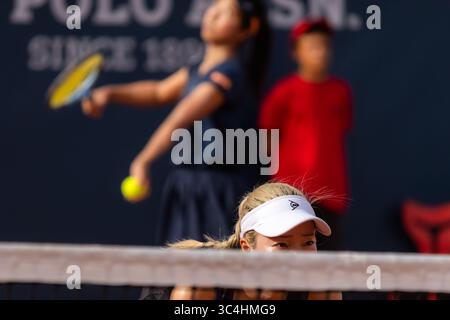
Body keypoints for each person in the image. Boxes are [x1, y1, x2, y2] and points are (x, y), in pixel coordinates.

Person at [82, 0, 272, 244]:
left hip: (221, 193)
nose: (212, 15)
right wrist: (110, 93)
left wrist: (143, 160)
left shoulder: (230, 75)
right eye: (213, 7)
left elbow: (183, 114)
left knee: (216, 275)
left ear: (247, 28)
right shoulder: (194, 70)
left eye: (225, 13)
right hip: (187, 187)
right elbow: (158, 92)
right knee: (181, 273)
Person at [141, 182, 341, 300]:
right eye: (282, 244)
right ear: (247, 247)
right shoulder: (200, 286)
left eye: (308, 243)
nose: (298, 257)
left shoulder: (323, 291)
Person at [258, 18, 353, 250]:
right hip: (290, 194)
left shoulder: (341, 92)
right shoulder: (283, 92)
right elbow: (267, 139)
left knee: (329, 263)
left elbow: (342, 128)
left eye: (325, 46)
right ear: (296, 52)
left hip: (331, 194)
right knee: (290, 257)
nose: (320, 52)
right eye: (312, 46)